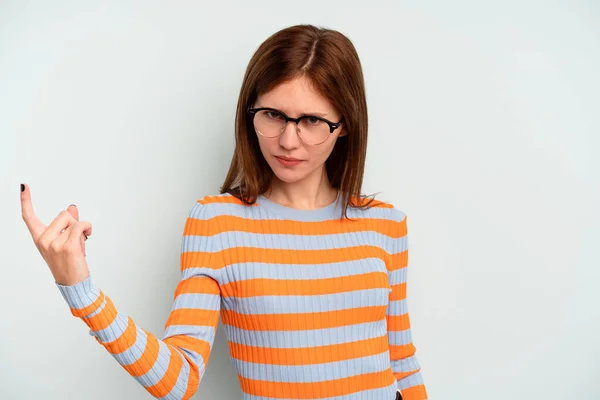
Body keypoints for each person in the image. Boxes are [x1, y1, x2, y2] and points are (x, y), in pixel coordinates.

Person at [20, 24, 427, 400]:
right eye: (272, 115)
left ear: (345, 124)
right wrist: (81, 291)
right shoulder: (218, 224)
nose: (288, 139)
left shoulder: (386, 225)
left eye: (312, 121)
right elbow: (178, 379)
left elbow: (403, 364)